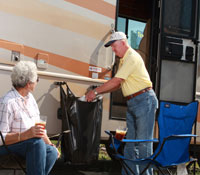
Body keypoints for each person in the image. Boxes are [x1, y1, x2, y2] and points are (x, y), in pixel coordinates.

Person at [86, 31, 158, 175]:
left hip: (144, 100)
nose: (113, 49)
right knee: (130, 144)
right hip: (133, 102)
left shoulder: (131, 57)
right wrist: (99, 93)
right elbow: (118, 85)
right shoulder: (124, 60)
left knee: (143, 143)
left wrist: (95, 91)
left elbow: (117, 81)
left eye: (114, 45)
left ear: (123, 43)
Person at [0, 61, 60, 175]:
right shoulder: (7, 102)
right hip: (9, 147)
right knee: (36, 143)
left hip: (29, 145)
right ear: (28, 83)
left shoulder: (30, 98)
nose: (37, 82)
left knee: (51, 152)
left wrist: (50, 144)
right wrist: (26, 135)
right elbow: (0, 138)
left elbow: (39, 128)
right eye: (37, 79)